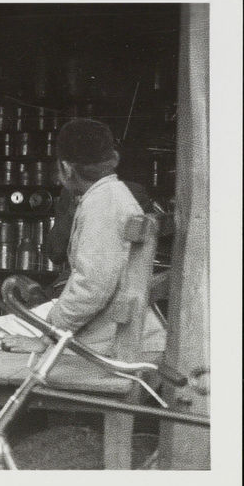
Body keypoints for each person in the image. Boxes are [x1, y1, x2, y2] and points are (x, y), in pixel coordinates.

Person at [41, 118, 165, 355]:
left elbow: (91, 287)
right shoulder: (112, 193)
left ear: (66, 168)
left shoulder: (102, 204)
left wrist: (49, 336)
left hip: (107, 342)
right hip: (112, 329)